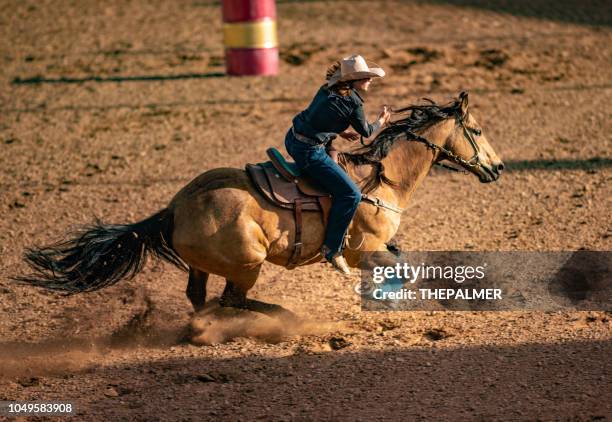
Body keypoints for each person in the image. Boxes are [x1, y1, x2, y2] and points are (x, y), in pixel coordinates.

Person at [284, 54, 391, 275]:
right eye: (366, 77)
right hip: (310, 152)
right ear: (353, 81)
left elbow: (318, 115)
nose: (370, 80)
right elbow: (367, 132)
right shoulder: (353, 102)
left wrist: (339, 130)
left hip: (293, 138)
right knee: (351, 194)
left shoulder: (326, 89)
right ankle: (332, 249)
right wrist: (381, 120)